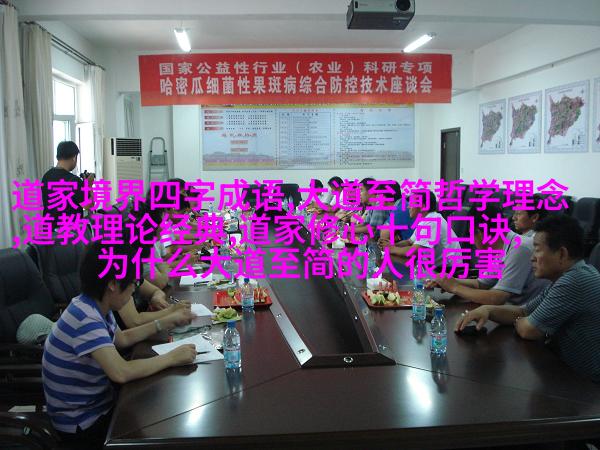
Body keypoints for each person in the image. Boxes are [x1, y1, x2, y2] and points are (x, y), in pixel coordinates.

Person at [42, 240, 197, 448]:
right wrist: (171, 358)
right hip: (82, 424)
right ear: (113, 284)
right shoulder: (85, 318)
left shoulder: (93, 304)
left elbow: (122, 339)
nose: (134, 290)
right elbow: (121, 372)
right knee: (165, 419)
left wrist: (164, 322)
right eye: (132, 283)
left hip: (99, 403)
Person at [455, 215, 600, 383]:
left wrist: (523, 320)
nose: (532, 257)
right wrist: (486, 310)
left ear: (562, 254)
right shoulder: (565, 278)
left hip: (585, 386)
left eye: (537, 250)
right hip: (563, 371)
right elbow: (523, 311)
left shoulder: (574, 281)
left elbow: (528, 330)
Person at [429, 203, 548, 305]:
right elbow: (481, 284)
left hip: (523, 316)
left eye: (471, 235)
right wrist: (449, 281)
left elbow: (498, 298)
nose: (472, 242)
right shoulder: (500, 248)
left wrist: (455, 288)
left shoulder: (519, 248)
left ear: (480, 233)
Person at [382, 190, 463, 270]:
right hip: (438, 268)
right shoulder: (425, 220)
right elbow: (409, 242)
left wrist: (392, 249)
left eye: (412, 204)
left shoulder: (432, 221)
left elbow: (413, 251)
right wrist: (392, 245)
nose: (408, 207)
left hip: (450, 270)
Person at [41, 141, 94, 224]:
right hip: (69, 230)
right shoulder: (74, 181)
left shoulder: (46, 176)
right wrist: (88, 185)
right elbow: (89, 205)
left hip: (50, 228)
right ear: (74, 157)